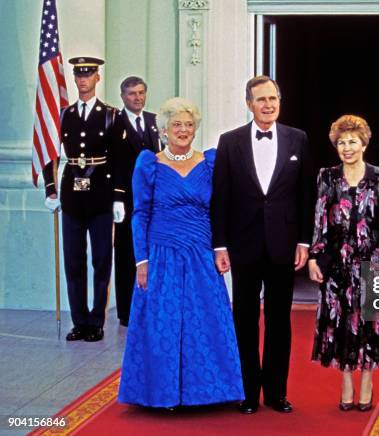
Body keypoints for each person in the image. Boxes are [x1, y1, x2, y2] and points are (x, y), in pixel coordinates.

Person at [118, 97, 244, 407]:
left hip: (201, 254)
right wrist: (141, 260)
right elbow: (140, 213)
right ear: (163, 129)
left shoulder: (210, 162)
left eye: (189, 124)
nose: (184, 130)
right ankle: (163, 394)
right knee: (164, 323)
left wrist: (219, 247)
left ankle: (213, 392)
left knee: (206, 321)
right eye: (177, 124)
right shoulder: (149, 164)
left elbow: (220, 209)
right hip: (162, 255)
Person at [211, 75, 314, 414]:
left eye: (273, 98)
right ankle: (247, 392)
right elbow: (221, 197)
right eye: (261, 100)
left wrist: (304, 241)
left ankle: (276, 393)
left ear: (279, 102)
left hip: (284, 245)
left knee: (279, 321)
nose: (268, 105)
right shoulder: (230, 142)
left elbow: (304, 196)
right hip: (243, 244)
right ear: (248, 104)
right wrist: (220, 245)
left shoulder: (297, 139)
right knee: (243, 318)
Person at [307, 115, 379, 411]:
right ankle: (346, 383)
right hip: (336, 264)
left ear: (364, 143)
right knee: (340, 323)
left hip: (372, 262)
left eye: (352, 142)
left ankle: (367, 384)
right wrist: (313, 257)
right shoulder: (327, 176)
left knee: (371, 323)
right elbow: (320, 218)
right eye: (342, 142)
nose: (347, 147)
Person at [42, 57, 117, 342]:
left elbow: (119, 159)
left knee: (101, 260)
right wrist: (51, 189)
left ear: (97, 78)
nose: (83, 80)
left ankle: (96, 320)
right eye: (79, 75)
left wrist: (119, 198)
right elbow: (50, 152)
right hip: (72, 195)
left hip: (100, 195)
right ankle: (79, 321)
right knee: (73, 261)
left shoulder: (110, 115)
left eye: (88, 75)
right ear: (74, 79)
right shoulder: (63, 115)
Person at [111, 76, 162, 327]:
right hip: (127, 199)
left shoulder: (154, 121)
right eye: (132, 94)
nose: (137, 98)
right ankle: (126, 312)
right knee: (126, 253)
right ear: (123, 96)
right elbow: (112, 164)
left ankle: (151, 304)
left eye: (141, 93)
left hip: (154, 198)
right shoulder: (114, 123)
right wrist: (117, 198)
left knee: (152, 251)